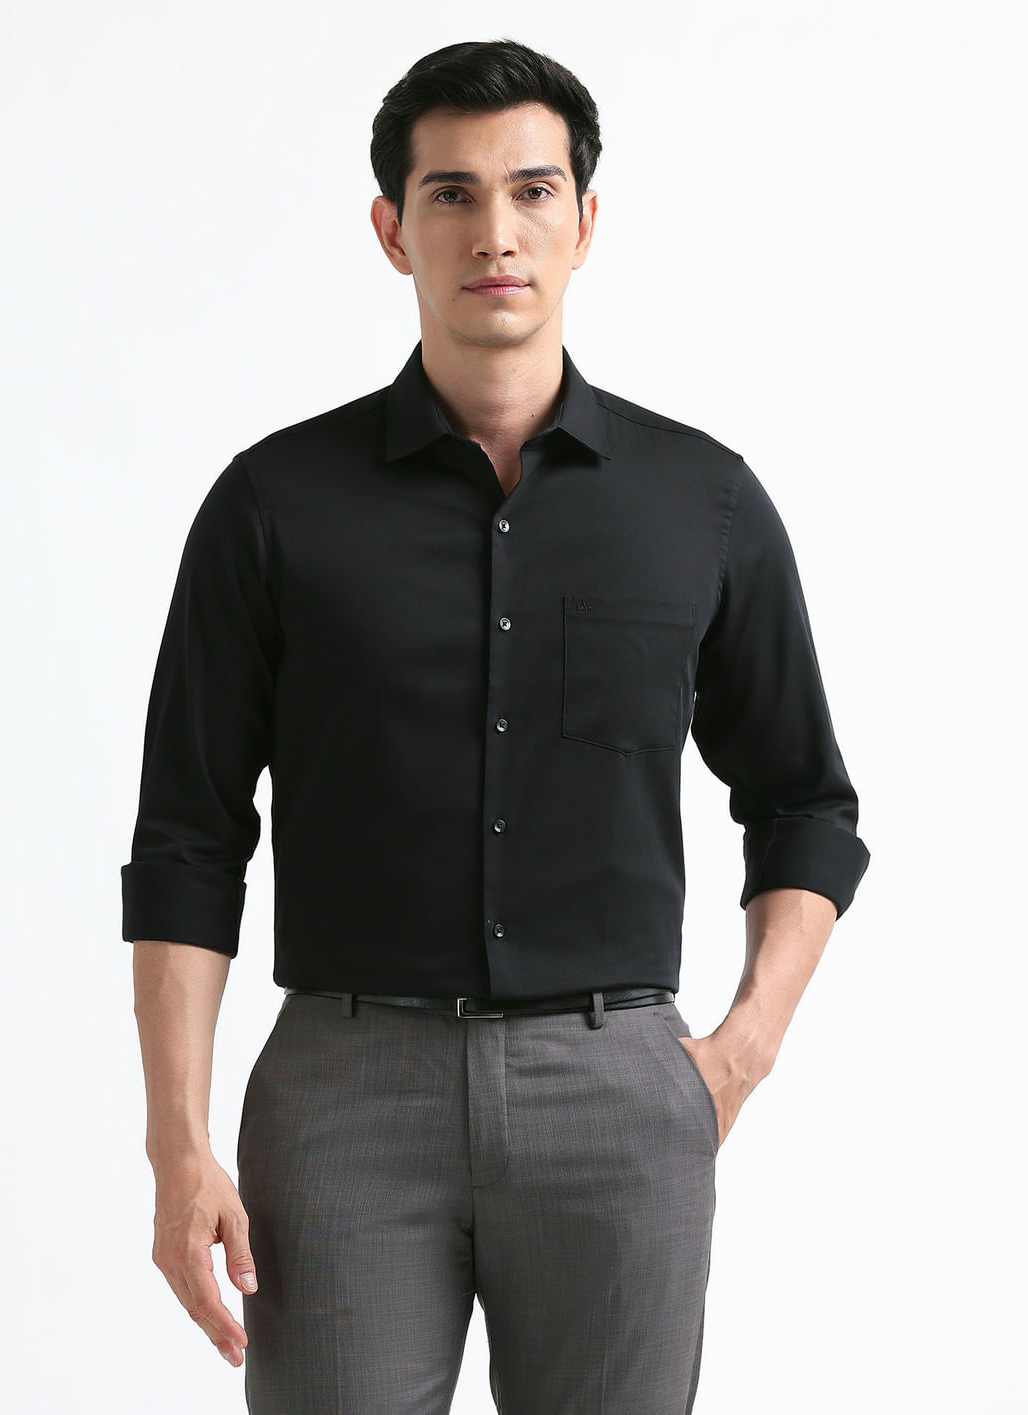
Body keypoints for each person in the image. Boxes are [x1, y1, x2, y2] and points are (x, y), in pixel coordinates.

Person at [121, 37, 870, 1415]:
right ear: (390, 230)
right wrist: (178, 1143)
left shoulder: (702, 503)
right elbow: (186, 839)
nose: (495, 232)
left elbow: (806, 804)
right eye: (451, 194)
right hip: (344, 1096)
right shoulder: (273, 506)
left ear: (585, 222)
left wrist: (739, 1052)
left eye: (532, 191)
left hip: (619, 1091)